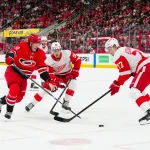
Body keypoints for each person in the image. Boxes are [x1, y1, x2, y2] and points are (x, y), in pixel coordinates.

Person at [0, 34, 57, 119]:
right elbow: (12, 52)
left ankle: (1, 101)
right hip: (13, 72)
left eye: (38, 43)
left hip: (24, 77)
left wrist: (49, 82)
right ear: (30, 43)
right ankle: (9, 111)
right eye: (35, 43)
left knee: (18, 98)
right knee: (14, 89)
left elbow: (42, 70)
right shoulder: (22, 46)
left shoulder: (40, 53)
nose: (37, 45)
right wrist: (9, 57)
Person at [105, 38, 150, 125]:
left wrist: (116, 84)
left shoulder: (118, 54)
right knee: (139, 90)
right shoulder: (123, 50)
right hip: (147, 65)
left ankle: (148, 112)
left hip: (145, 67)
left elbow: (125, 73)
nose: (108, 51)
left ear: (114, 46)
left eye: (109, 48)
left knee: (133, 91)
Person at [25, 41, 81, 112]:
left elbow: (77, 60)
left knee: (73, 84)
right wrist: (53, 83)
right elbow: (50, 74)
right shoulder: (48, 60)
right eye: (54, 51)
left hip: (68, 75)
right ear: (52, 51)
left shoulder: (67, 53)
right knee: (45, 89)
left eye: (58, 50)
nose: (56, 52)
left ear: (60, 50)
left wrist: (75, 70)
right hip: (56, 76)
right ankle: (32, 103)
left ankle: (66, 101)